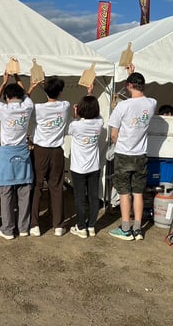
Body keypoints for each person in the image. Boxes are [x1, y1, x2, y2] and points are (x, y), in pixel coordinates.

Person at [108, 66, 157, 241]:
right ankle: (137, 228)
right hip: (141, 154)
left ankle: (125, 227)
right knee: (138, 192)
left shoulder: (122, 106)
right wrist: (132, 75)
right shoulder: (152, 103)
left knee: (124, 192)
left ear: (129, 85)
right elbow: (140, 96)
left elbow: (114, 134)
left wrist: (119, 143)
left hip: (123, 154)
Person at [0, 69, 38, 239]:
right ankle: (24, 228)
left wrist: (4, 82)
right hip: (22, 151)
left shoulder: (3, 108)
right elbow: (26, 95)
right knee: (24, 191)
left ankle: (8, 229)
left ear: (6, 97)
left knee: (6, 193)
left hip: (7, 153)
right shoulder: (27, 106)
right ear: (21, 95)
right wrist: (18, 77)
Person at [29, 76, 70, 237]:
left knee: (37, 186)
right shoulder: (65, 106)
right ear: (60, 92)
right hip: (57, 151)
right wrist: (45, 86)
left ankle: (34, 225)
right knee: (57, 187)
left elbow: (24, 104)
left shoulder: (37, 108)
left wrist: (36, 85)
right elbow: (53, 96)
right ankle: (58, 225)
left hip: (40, 150)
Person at [68, 86, 104, 238]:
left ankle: (81, 227)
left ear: (80, 109)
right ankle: (92, 226)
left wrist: (75, 114)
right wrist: (90, 94)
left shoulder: (76, 125)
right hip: (94, 167)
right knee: (93, 198)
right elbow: (97, 115)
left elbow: (70, 128)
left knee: (80, 198)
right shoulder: (99, 124)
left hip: (78, 168)